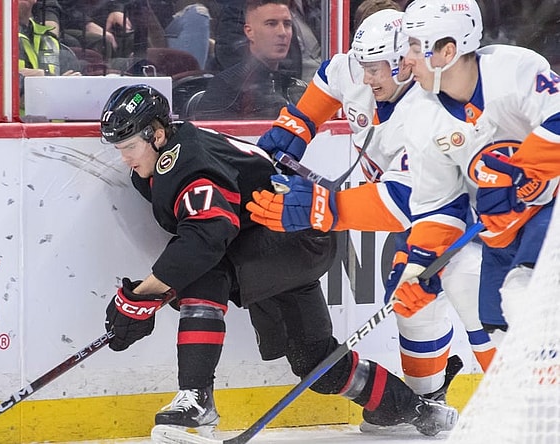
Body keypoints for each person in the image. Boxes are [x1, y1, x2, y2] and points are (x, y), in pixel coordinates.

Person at [99, 83, 459, 437]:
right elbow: (208, 235)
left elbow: (204, 242)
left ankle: (196, 399)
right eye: (120, 148)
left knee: (203, 272)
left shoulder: (188, 165)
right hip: (285, 241)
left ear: (158, 134)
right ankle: (417, 410)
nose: (126, 158)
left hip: (290, 236)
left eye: (130, 146)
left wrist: (142, 296)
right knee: (316, 364)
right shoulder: (170, 156)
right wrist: (149, 297)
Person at [244, 4, 497, 431]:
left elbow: (400, 199)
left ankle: (533, 401)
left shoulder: (432, 108)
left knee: (471, 291)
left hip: (474, 216)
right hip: (424, 218)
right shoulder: (353, 70)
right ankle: (426, 401)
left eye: (377, 68)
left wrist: (323, 208)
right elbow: (312, 104)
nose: (365, 78)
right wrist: (279, 145)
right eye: (363, 65)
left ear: (403, 64)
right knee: (411, 299)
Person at [387, 0, 559, 333]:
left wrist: (521, 172)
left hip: (551, 210)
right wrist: (419, 269)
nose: (405, 60)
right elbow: (439, 207)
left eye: (413, 46)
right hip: (501, 234)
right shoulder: (421, 116)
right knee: (498, 331)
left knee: (522, 295)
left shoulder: (516, 70)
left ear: (447, 52)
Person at [0, 0, 81, 121]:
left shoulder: (50, 40)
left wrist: (39, 78)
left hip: (51, 134)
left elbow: (75, 90)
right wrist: (52, 81)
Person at [195, 0, 307, 120]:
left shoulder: (298, 89)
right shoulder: (225, 88)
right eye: (271, 24)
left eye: (287, 24)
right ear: (249, 32)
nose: (282, 32)